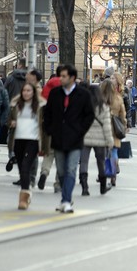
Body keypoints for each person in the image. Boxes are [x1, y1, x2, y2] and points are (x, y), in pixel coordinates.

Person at [43, 65, 95, 214]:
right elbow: (48, 113)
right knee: (61, 171)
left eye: (64, 76)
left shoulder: (83, 94)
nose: (61, 79)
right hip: (58, 137)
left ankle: (66, 200)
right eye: (60, 76)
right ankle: (65, 198)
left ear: (72, 78)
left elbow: (89, 115)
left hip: (75, 139)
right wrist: (50, 129)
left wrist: (80, 130)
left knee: (71, 169)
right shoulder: (55, 93)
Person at [6, 82, 43, 209]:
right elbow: (8, 120)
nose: (26, 93)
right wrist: (11, 122)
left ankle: (24, 195)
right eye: (24, 91)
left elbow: (45, 123)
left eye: (29, 91)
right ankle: (27, 192)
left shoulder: (40, 106)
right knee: (22, 167)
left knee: (26, 166)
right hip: (18, 139)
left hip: (33, 139)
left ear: (33, 92)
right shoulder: (16, 105)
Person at [81, 84, 114, 196]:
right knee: (101, 162)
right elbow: (107, 126)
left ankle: (84, 187)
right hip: (100, 139)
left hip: (85, 138)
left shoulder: (84, 105)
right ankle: (102, 187)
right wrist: (110, 141)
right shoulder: (104, 107)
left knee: (84, 162)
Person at [103, 77, 127, 187]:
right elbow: (123, 114)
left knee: (104, 152)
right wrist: (124, 126)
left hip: (104, 126)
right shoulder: (118, 98)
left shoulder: (102, 97)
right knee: (114, 152)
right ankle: (113, 174)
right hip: (115, 127)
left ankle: (106, 172)